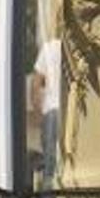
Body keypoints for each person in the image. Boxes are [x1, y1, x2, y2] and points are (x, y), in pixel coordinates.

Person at [31, 38, 61, 189]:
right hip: (69, 113)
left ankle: (47, 197)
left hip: (51, 112)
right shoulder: (84, 47)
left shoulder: (49, 48)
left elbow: (35, 84)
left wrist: (38, 115)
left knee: (50, 171)